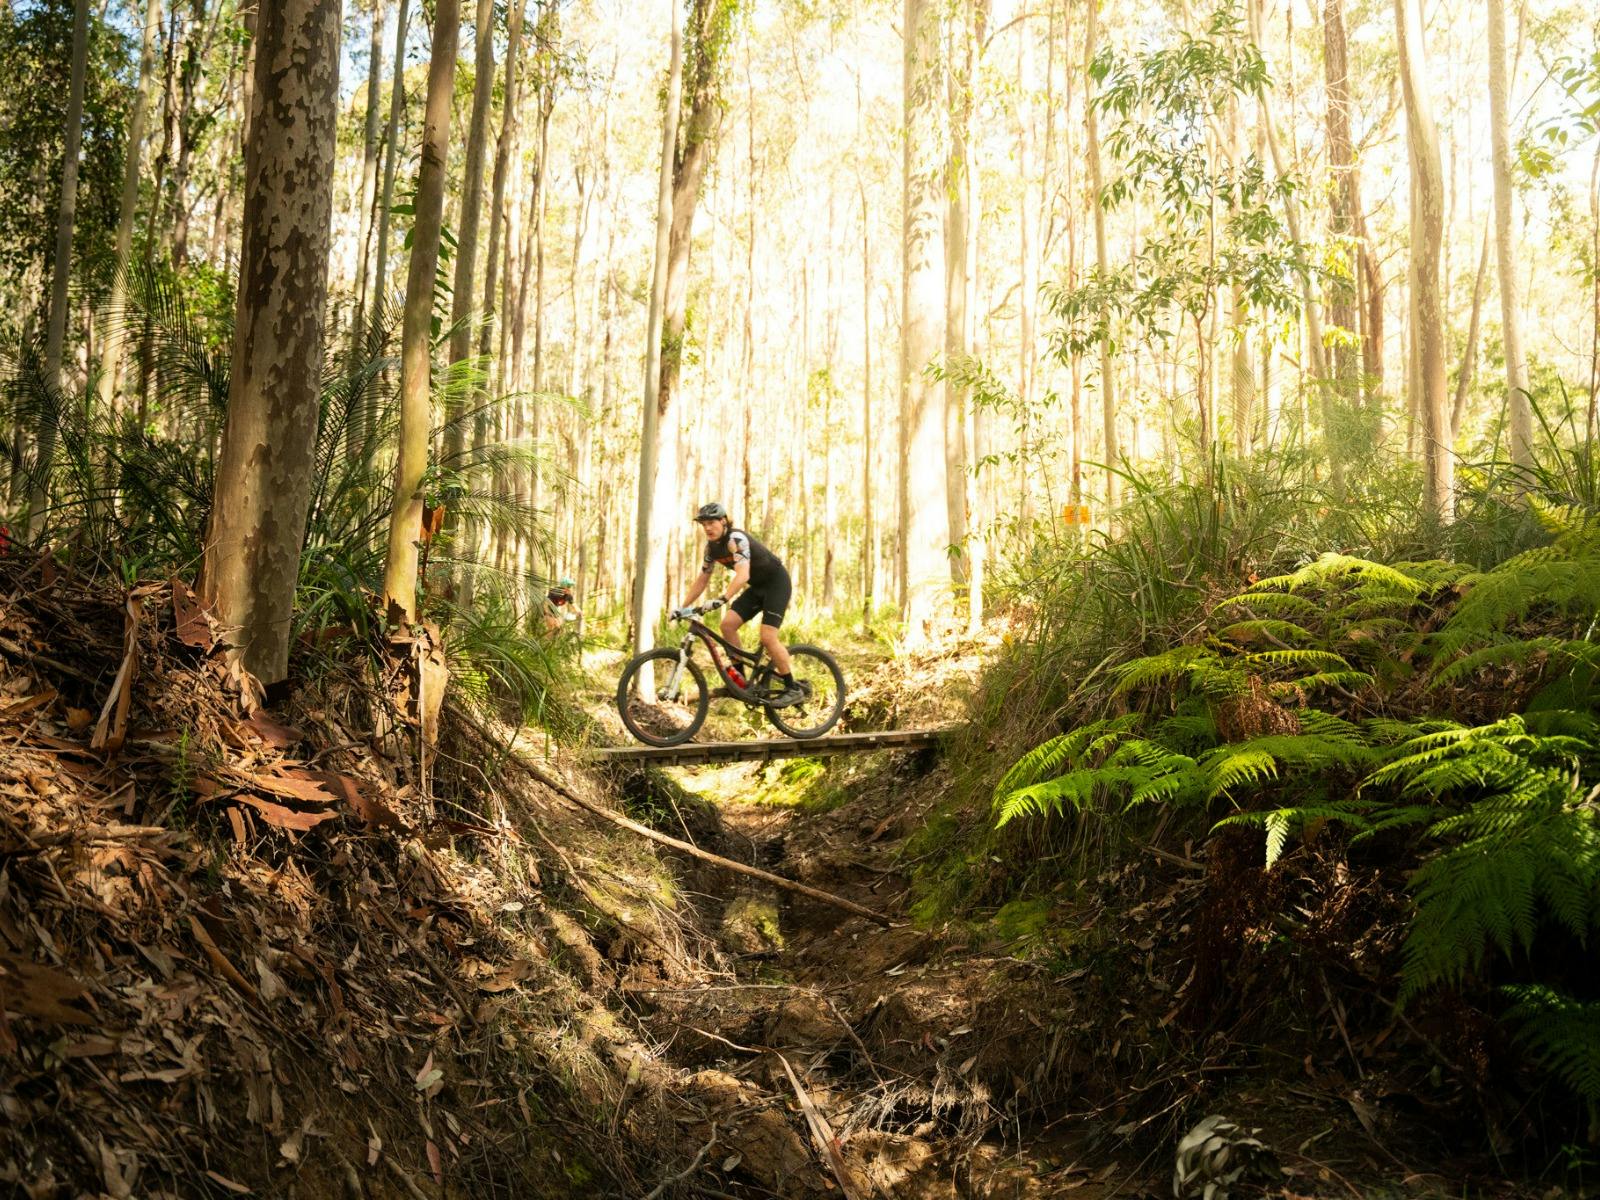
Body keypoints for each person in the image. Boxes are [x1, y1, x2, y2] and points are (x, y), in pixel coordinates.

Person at [674, 502, 801, 705]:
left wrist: (723, 598)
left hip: (776, 582)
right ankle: (741, 683)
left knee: (768, 637)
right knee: (727, 625)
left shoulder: (736, 538)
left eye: (711, 523)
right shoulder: (711, 548)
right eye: (703, 524)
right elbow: (703, 578)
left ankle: (792, 687)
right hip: (758, 587)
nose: (707, 528)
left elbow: (743, 574)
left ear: (723, 521)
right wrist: (682, 607)